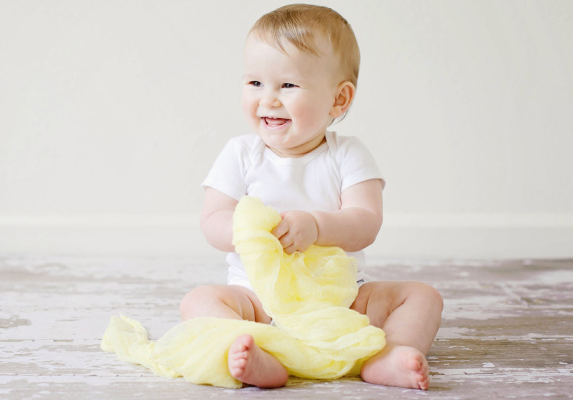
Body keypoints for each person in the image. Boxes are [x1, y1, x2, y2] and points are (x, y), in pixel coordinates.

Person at [179, 4, 443, 390]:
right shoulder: (240, 153)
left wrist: (316, 226)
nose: (268, 99)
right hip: (257, 300)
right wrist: (251, 233)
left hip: (340, 301)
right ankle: (258, 352)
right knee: (198, 301)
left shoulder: (347, 154)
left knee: (423, 296)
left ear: (339, 99)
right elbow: (212, 219)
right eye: (255, 83)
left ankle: (391, 355)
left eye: (287, 85)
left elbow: (366, 221)